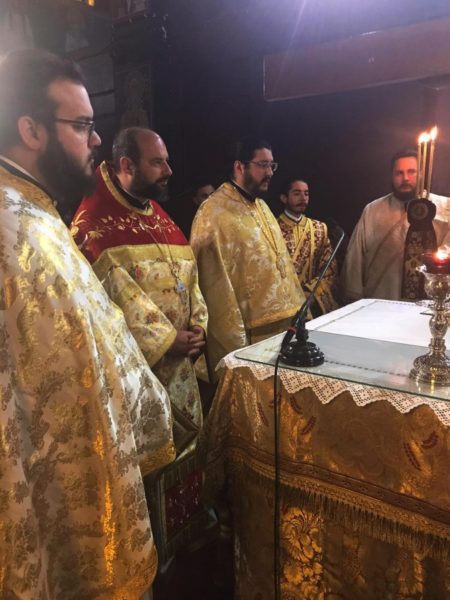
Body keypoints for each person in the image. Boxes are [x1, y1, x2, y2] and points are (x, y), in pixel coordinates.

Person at [0, 49, 175, 599]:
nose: (96, 139)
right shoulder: (12, 227)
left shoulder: (37, 212)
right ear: (31, 129)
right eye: (81, 125)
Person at [71, 127, 208, 429]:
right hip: (138, 376)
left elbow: (189, 277)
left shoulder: (158, 214)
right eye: (157, 162)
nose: (168, 171)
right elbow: (108, 304)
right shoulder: (92, 226)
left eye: (167, 161)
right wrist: (167, 340)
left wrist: (199, 325)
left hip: (182, 365)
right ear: (127, 165)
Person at [190, 137, 304, 376]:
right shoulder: (213, 214)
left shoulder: (262, 207)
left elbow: (282, 266)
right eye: (263, 165)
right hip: (253, 340)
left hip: (286, 331)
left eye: (272, 165)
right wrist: (233, 348)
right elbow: (214, 289)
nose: (270, 172)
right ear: (239, 166)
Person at [341, 149, 450, 302]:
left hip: (430, 301)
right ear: (392, 176)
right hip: (380, 299)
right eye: (399, 173)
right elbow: (356, 256)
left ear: (421, 174)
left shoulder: (445, 207)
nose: (405, 178)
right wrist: (353, 296)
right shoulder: (373, 209)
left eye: (411, 172)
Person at [278, 178, 339, 315]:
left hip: (311, 304)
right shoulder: (272, 229)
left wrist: (310, 292)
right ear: (284, 198)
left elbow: (329, 270)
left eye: (306, 193)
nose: (303, 198)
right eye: (297, 193)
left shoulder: (319, 229)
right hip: (281, 304)